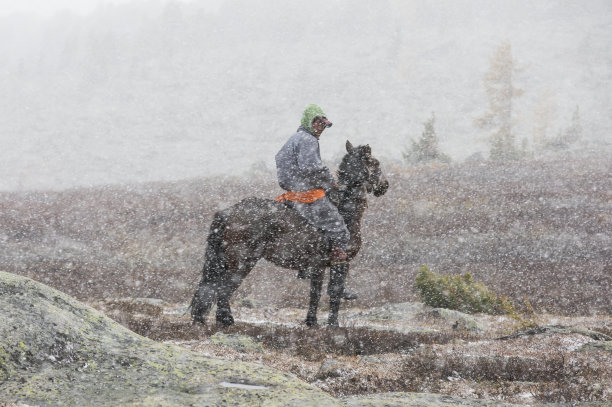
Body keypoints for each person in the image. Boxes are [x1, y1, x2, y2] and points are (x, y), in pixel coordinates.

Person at [275, 104, 357, 300]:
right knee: (340, 230)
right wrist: (332, 183)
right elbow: (313, 168)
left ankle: (305, 267)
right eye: (318, 123)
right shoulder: (308, 140)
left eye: (323, 125)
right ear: (308, 122)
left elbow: (279, 159)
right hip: (306, 195)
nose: (320, 127)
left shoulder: (294, 138)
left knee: (313, 228)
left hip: (291, 193)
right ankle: (337, 287)